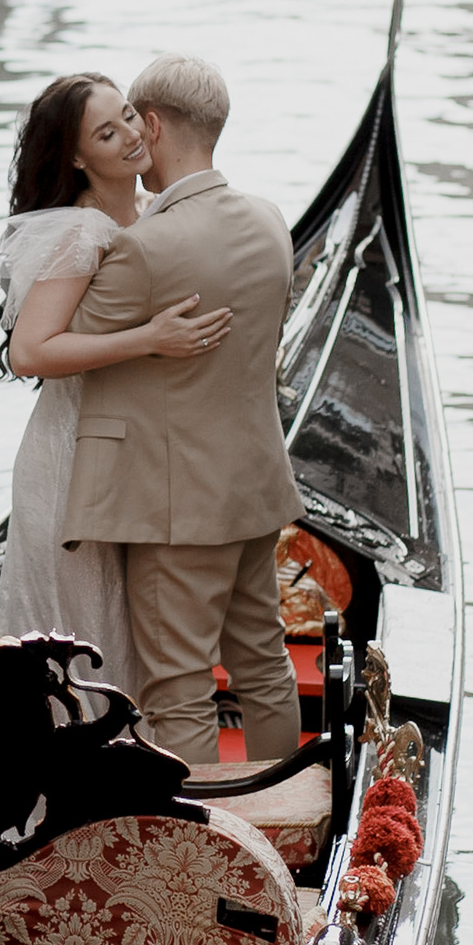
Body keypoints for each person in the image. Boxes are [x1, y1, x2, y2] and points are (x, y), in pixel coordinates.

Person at [61, 55, 304, 767]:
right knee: (263, 664)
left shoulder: (145, 248)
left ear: (155, 123)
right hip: (254, 486)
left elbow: (55, 342)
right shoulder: (269, 221)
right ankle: (291, 817)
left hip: (176, 505)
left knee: (180, 689)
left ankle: (205, 862)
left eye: (135, 120)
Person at [0, 73, 231, 677]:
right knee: (82, 630)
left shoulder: (154, 210)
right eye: (106, 132)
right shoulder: (83, 230)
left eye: (128, 115)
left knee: (130, 625)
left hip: (133, 449)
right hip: (74, 454)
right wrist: (151, 339)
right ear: (76, 157)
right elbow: (30, 353)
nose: (130, 135)